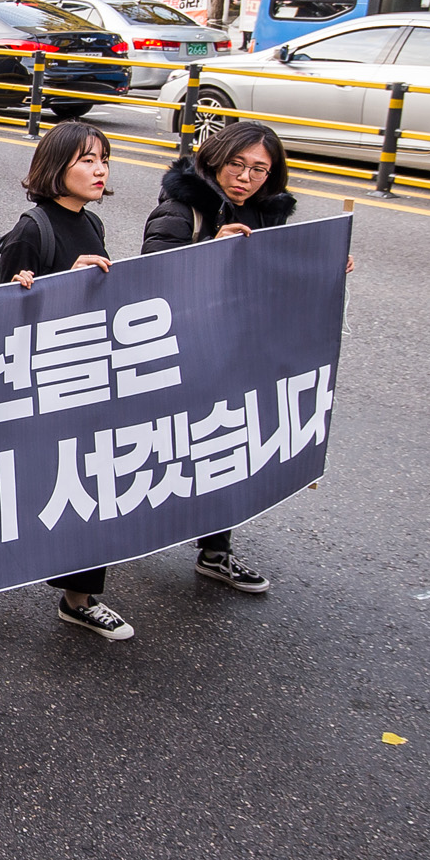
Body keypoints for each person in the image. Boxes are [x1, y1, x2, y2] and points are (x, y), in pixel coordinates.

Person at [140, 120, 319, 594]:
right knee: (164, 451)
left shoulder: (266, 215)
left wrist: (323, 264)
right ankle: (119, 537)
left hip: (238, 355)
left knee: (230, 449)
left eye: (260, 169)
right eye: (237, 164)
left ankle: (216, 552)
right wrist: (208, 253)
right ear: (216, 159)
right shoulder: (181, 209)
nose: (245, 176)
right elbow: (150, 283)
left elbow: (276, 280)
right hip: (183, 357)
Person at [0, 121, 131, 639]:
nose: (99, 170)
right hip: (37, 383)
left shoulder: (91, 224)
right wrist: (57, 283)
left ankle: (79, 598)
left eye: (104, 159)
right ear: (56, 167)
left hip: (84, 375)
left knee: (89, 483)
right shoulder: (34, 228)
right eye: (86, 160)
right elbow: (2, 311)